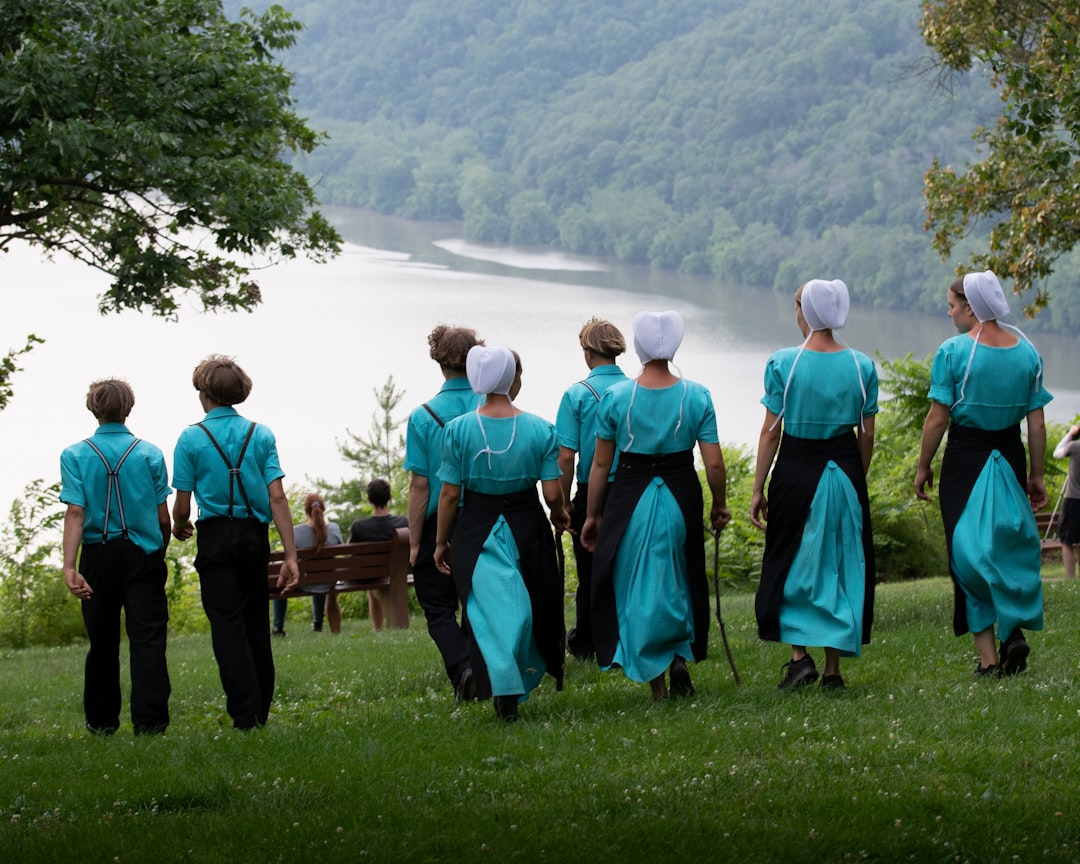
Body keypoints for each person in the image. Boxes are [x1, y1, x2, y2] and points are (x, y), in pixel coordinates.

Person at [581, 310, 731, 701]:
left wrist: (594, 515)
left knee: (638, 585)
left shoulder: (617, 397)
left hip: (630, 497)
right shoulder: (697, 395)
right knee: (678, 579)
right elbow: (713, 462)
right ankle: (678, 650)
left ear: (640, 346)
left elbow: (600, 464)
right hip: (681, 495)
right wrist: (720, 504)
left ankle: (659, 682)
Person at [915, 271, 1051, 676]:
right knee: (1006, 547)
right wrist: (1037, 475)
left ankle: (990, 660)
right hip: (1010, 455)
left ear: (970, 307)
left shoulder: (954, 353)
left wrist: (924, 465)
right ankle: (1012, 633)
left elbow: (938, 419)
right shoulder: (1028, 353)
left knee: (966, 554)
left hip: (965, 460)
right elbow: (1038, 425)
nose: (949, 311)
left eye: (953, 305)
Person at [750, 279, 878, 690]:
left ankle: (799, 657)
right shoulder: (862, 366)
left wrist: (757, 487)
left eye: (797, 305)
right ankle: (833, 671)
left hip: (795, 469)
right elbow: (867, 435)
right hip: (844, 468)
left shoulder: (783, 363)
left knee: (793, 559)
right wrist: (854, 473)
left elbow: (771, 432)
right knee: (838, 563)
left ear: (808, 311)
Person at [434, 346, 570, 722]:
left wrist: (441, 541)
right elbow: (553, 492)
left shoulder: (458, 430)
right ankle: (511, 683)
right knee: (526, 607)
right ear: (512, 378)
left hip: (475, 528)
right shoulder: (541, 428)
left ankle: (504, 684)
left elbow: (449, 494)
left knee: (486, 611)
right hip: (528, 526)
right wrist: (560, 515)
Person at [172, 355, 299, 729]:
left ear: (204, 393)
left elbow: (182, 503)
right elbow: (277, 497)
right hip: (253, 536)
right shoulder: (261, 434)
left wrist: (180, 525)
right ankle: (260, 709)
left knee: (226, 624)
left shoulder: (191, 438)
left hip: (214, 538)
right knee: (255, 621)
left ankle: (244, 714)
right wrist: (290, 555)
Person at [60, 379, 172, 736]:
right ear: (129, 408)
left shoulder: (74, 455)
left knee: (102, 642)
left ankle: (102, 722)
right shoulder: (149, 453)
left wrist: (69, 566)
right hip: (143, 554)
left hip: (97, 556)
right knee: (148, 640)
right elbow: (163, 518)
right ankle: (150, 722)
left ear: (93, 409)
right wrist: (158, 551)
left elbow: (75, 513)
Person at [404, 324, 484, 701]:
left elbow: (420, 487)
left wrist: (416, 543)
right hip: (485, 514)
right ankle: (480, 668)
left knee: (437, 607)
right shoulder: (490, 407)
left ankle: (463, 666)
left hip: (439, 519)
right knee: (479, 600)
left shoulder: (423, 417)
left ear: (438, 362)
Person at [555, 317, 629, 661]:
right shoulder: (635, 389)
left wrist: (563, 503)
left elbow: (566, 457)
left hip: (591, 492)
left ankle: (588, 640)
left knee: (589, 569)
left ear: (588, 352)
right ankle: (627, 636)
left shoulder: (576, 395)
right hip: (631, 487)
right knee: (627, 566)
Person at [272, 493, 345, 635]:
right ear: (323, 509)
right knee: (320, 577)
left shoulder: (296, 532)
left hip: (303, 582)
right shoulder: (335, 529)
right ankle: (318, 623)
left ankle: (278, 627)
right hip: (328, 581)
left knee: (283, 582)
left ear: (306, 511)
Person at [349, 477, 409, 630]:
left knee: (373, 583)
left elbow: (351, 553)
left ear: (369, 499)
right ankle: (385, 626)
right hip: (398, 572)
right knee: (381, 577)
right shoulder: (403, 522)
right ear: (390, 497)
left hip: (371, 574)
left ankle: (378, 628)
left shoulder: (359, 527)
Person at [1052, 422, 1080, 579]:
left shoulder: (1075, 447)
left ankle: (1070, 578)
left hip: (1075, 499)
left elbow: (1057, 453)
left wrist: (1070, 434)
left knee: (1067, 540)